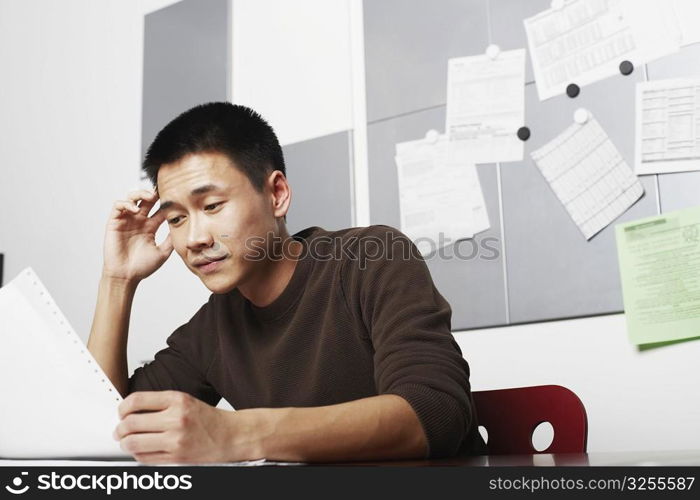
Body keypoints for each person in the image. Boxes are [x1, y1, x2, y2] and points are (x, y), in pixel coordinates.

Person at [87, 102, 485, 464]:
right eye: (176, 219)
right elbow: (108, 425)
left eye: (211, 206)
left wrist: (237, 433)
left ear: (276, 194)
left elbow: (436, 412)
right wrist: (117, 280)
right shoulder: (212, 329)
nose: (195, 238)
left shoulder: (370, 258)